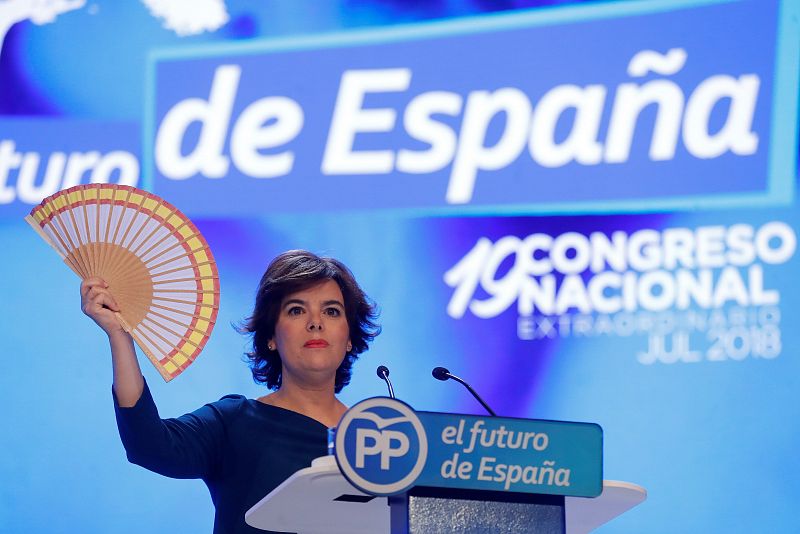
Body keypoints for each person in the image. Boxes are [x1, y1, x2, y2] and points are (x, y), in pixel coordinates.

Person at [81, 250, 380, 533]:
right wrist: (119, 334)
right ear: (271, 337)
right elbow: (148, 445)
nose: (315, 323)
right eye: (296, 310)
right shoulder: (234, 422)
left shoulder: (382, 441)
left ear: (349, 337)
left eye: (331, 311)